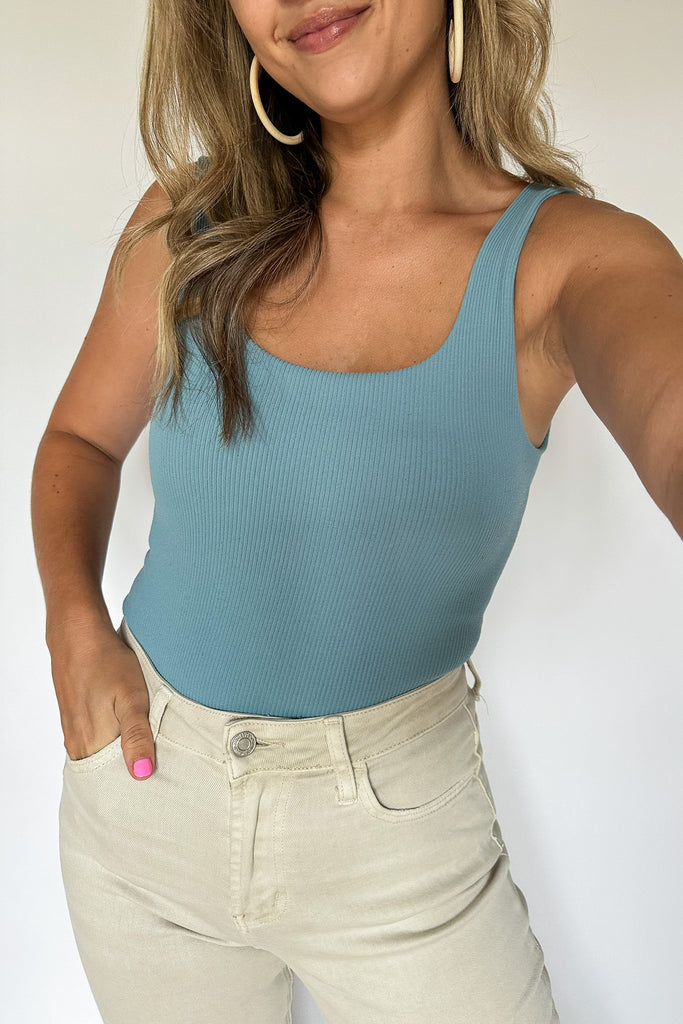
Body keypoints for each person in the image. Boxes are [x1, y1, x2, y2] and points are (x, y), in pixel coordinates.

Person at [30, 1, 683, 1022]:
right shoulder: (188, 226)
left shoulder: (567, 263)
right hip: (144, 810)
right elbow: (79, 440)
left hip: (401, 855)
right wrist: (72, 622)